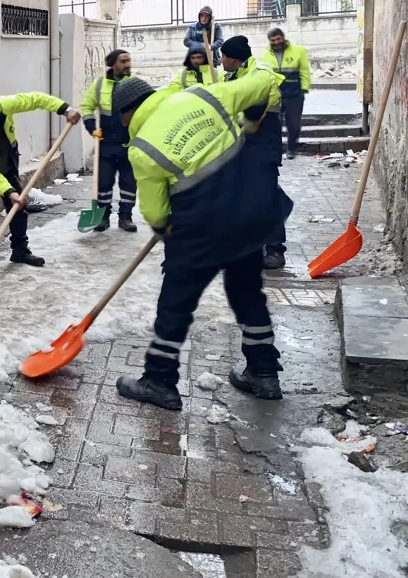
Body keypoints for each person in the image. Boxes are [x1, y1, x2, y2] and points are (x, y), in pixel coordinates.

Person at [113, 67, 290, 412]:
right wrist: (253, 118)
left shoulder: (142, 149)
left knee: (175, 305)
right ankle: (264, 373)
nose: (122, 125)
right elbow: (269, 81)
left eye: (121, 118)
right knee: (247, 295)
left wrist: (169, 234)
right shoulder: (205, 96)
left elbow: (155, 212)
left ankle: (160, 381)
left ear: (129, 112)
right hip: (249, 215)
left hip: (200, 230)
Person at [0, 90, 81, 274]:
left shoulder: (5, 105)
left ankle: (20, 249)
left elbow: (37, 99)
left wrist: (64, 109)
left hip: (2, 154)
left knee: (20, 203)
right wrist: (8, 191)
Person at [221, 36, 291, 272]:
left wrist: (240, 117)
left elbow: (261, 106)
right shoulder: (233, 75)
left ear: (232, 58)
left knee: (265, 195)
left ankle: (274, 250)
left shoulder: (259, 73)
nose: (220, 61)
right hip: (242, 145)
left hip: (262, 143)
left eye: (222, 56)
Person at [81, 49, 138, 232]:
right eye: (123, 61)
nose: (127, 64)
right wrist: (92, 128)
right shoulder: (99, 86)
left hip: (130, 144)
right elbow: (87, 107)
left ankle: (126, 217)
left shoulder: (135, 84)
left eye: (129, 61)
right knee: (103, 183)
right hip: (105, 146)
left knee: (129, 183)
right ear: (113, 64)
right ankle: (103, 216)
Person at [261, 27, 311, 159]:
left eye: (278, 39)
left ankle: (291, 149)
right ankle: (276, 149)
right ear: (269, 41)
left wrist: (304, 88)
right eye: (273, 40)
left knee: (293, 124)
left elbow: (304, 70)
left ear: (283, 37)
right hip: (275, 95)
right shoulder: (266, 55)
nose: (276, 42)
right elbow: (264, 75)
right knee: (274, 124)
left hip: (294, 94)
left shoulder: (298, 51)